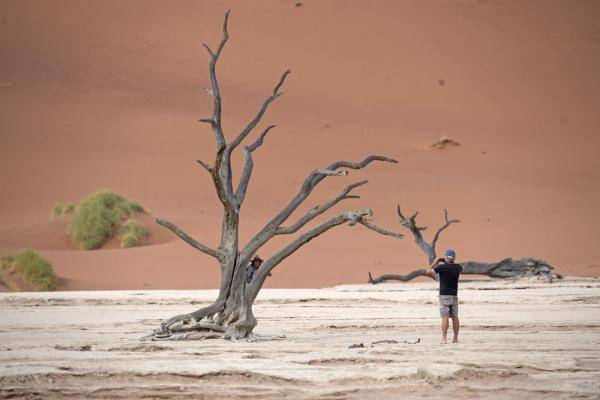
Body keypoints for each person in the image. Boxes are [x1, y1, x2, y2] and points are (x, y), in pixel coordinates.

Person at [429, 249, 463, 344]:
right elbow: (458, 269)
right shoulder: (458, 267)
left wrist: (436, 261)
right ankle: (455, 338)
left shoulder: (441, 267)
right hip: (454, 295)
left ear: (446, 257)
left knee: (445, 316)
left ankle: (444, 338)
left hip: (444, 295)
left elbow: (429, 271)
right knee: (455, 316)